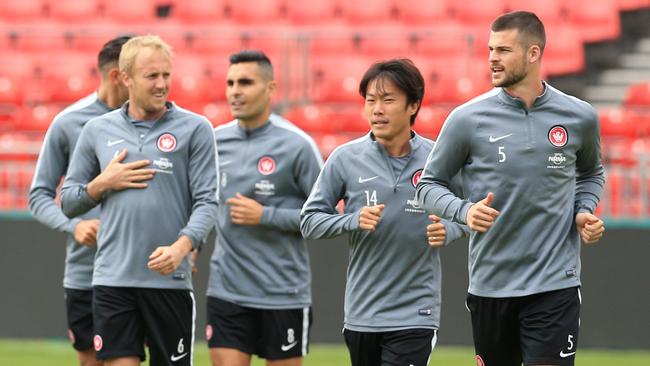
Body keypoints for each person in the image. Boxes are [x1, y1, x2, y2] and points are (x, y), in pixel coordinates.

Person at [416, 11, 606, 366]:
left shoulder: (579, 116)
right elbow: (428, 185)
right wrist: (465, 211)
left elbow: (592, 173)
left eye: (503, 50)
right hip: (491, 286)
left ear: (533, 54)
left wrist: (584, 210)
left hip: (555, 284)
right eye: (490, 49)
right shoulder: (466, 119)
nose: (492, 58)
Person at [60, 35, 218, 366]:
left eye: (166, 75)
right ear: (126, 77)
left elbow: (207, 203)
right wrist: (102, 183)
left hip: (169, 281)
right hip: (112, 281)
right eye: (152, 76)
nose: (162, 85)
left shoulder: (196, 129)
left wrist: (181, 248)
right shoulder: (96, 130)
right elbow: (69, 202)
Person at [300, 59, 469, 366]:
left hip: (416, 312)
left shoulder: (437, 158)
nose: (377, 109)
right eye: (370, 101)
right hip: (361, 314)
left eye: (388, 100)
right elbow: (309, 221)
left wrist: (451, 228)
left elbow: (473, 210)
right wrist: (352, 220)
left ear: (413, 105)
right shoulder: (344, 158)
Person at [205, 50, 323, 366]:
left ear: (270, 88)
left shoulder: (298, 145)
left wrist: (265, 216)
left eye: (245, 82)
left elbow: (324, 218)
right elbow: (200, 204)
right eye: (230, 83)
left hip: (283, 293)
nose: (235, 91)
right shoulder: (213, 142)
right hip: (226, 289)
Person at [28, 35, 131, 366]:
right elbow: (39, 196)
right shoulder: (69, 123)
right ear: (118, 76)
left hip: (143, 272)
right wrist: (74, 226)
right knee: (92, 361)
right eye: (141, 73)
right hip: (87, 273)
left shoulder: (158, 123)